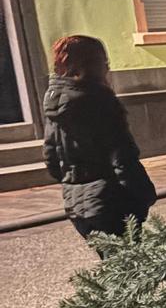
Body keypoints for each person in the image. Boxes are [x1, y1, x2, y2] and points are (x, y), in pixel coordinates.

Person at [43, 35, 156, 250]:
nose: (107, 68)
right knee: (130, 265)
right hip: (110, 201)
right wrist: (144, 195)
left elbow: (52, 159)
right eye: (104, 62)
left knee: (112, 263)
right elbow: (122, 157)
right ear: (91, 64)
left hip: (76, 206)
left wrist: (75, 183)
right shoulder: (99, 101)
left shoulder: (55, 104)